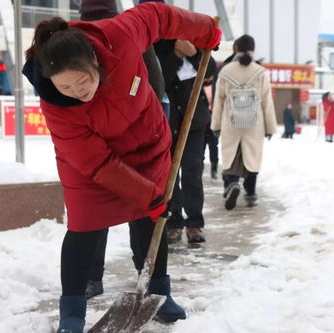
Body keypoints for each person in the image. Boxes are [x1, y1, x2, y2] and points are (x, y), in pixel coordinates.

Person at [22, 3, 221, 332]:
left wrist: (205, 32)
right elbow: (97, 162)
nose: (77, 94)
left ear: (95, 61)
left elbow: (161, 16)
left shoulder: (122, 35)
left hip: (147, 144)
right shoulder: (56, 105)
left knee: (149, 219)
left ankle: (159, 292)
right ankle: (72, 310)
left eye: (82, 82)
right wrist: (147, 194)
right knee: (84, 227)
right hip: (90, 166)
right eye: (65, 88)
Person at [78, 0, 169, 302]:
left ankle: (98, 278)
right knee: (140, 210)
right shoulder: (125, 33)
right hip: (118, 144)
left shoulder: (84, 39)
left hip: (115, 144)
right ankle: (149, 278)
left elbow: (153, 86)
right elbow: (156, 87)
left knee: (106, 211)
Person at [153, 36, 217, 244]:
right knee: (170, 176)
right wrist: (175, 57)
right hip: (167, 122)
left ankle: (194, 224)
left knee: (193, 172)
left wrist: (193, 54)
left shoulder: (196, 45)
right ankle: (174, 223)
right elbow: (159, 80)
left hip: (195, 123)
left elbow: (210, 72)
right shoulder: (158, 47)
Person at [211, 34, 277, 210]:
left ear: (235, 49)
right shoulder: (261, 72)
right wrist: (270, 127)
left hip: (230, 121)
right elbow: (267, 101)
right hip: (254, 123)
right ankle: (250, 193)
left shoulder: (225, 71)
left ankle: (231, 184)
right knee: (252, 156)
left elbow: (218, 101)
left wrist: (215, 126)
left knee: (231, 155)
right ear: (253, 50)